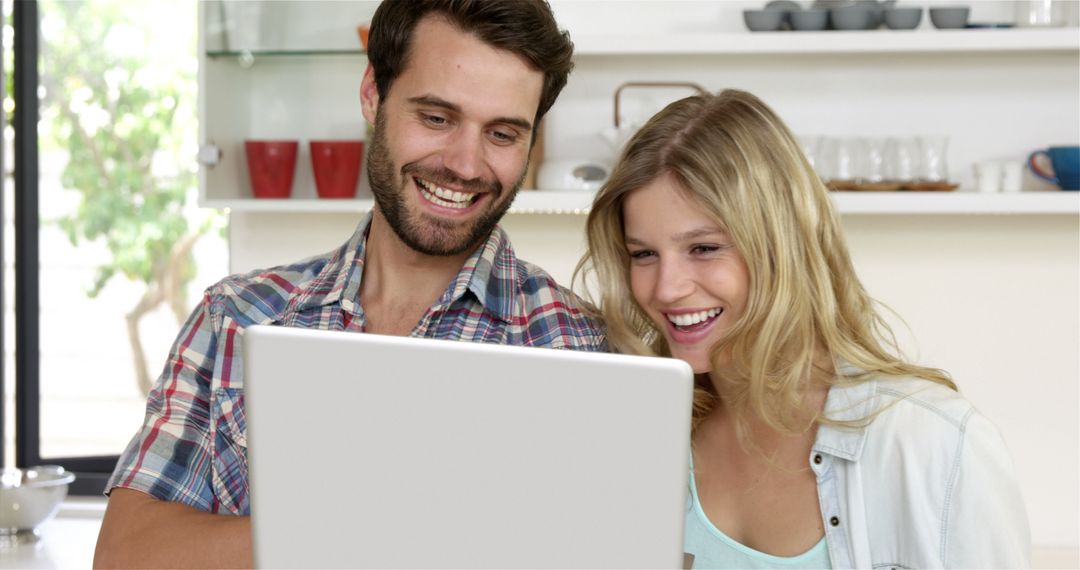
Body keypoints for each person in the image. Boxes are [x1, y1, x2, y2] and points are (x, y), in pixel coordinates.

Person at [93, 1, 604, 567]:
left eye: (503, 133)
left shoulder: (579, 346)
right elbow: (127, 555)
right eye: (435, 118)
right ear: (372, 95)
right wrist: (402, 525)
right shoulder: (234, 317)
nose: (465, 164)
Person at [577, 89, 1029, 569]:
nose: (666, 289)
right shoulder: (643, 434)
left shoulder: (933, 443)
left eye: (704, 248)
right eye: (643, 254)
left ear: (782, 245)